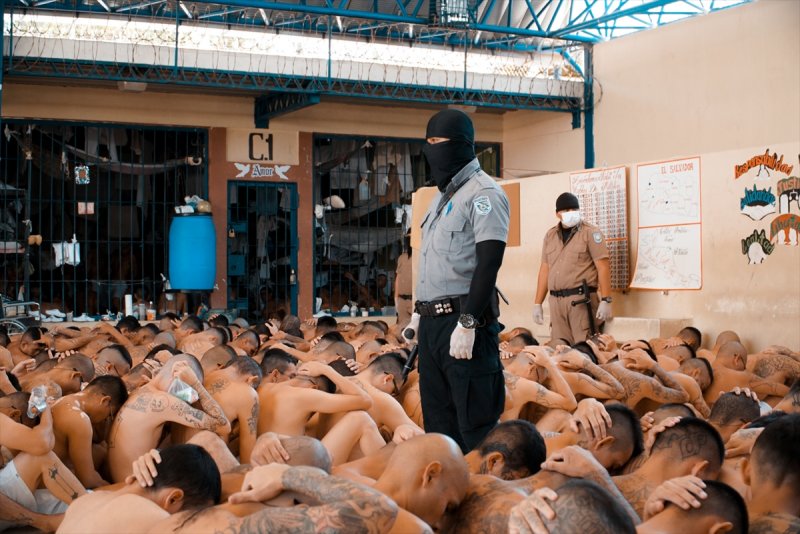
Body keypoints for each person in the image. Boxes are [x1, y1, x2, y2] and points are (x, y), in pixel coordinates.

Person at [408, 108, 510, 452]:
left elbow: (488, 264)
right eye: (429, 143)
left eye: (439, 143)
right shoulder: (439, 197)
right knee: (439, 429)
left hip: (466, 322)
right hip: (433, 327)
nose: (432, 150)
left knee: (475, 430)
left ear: (463, 145)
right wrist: (419, 313)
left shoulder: (484, 195)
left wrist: (467, 323)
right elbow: (434, 261)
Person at [532, 192, 613, 345]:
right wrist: (537, 303)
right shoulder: (550, 236)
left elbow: (603, 267)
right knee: (560, 350)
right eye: (566, 210)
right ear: (557, 214)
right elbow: (544, 270)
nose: (571, 213)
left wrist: (606, 299)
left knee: (584, 350)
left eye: (574, 209)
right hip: (556, 302)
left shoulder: (590, 233)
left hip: (581, 301)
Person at [394, 232, 414, 328]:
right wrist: (396, 299)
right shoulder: (402, 258)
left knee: (415, 332)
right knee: (402, 331)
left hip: (415, 300)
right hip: (402, 300)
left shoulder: (421, 257)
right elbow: (398, 278)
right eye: (409, 238)